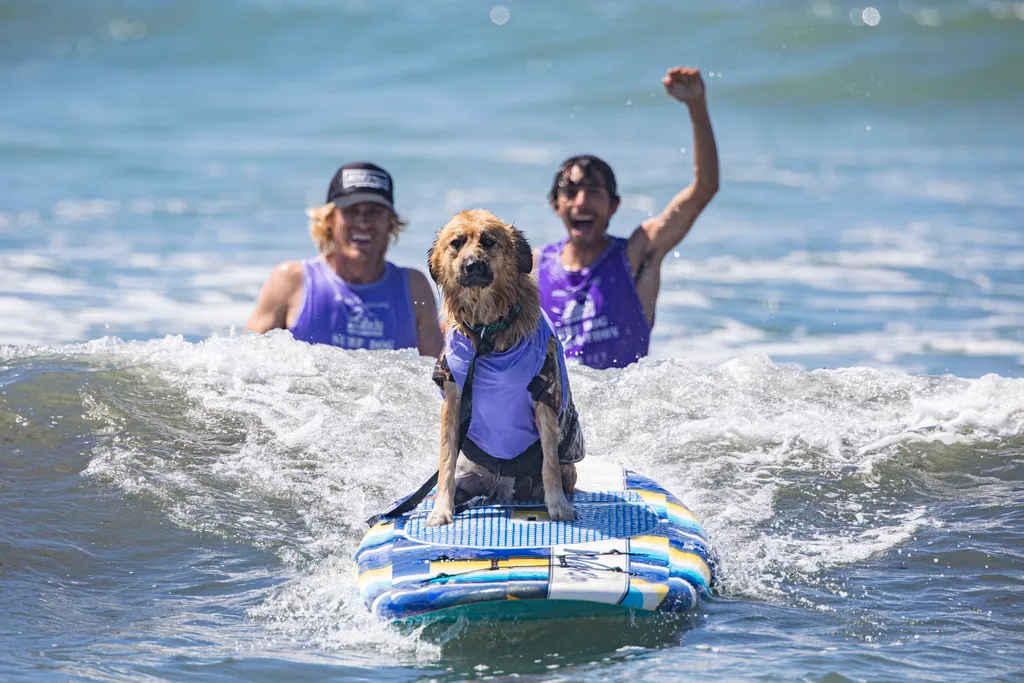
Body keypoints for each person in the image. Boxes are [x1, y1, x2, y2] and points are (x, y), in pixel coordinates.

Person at [535, 66, 719, 369]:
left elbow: (705, 188)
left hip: (621, 407)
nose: (582, 202)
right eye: (571, 192)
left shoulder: (637, 254)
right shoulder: (532, 268)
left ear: (614, 206)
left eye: (594, 191)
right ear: (555, 204)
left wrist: (696, 106)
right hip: (556, 410)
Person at [245, 161, 443, 356]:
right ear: (329, 220)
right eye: (351, 211)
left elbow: (439, 377)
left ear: (391, 222)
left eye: (374, 211)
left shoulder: (414, 287)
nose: (363, 222)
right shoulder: (291, 280)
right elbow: (241, 365)